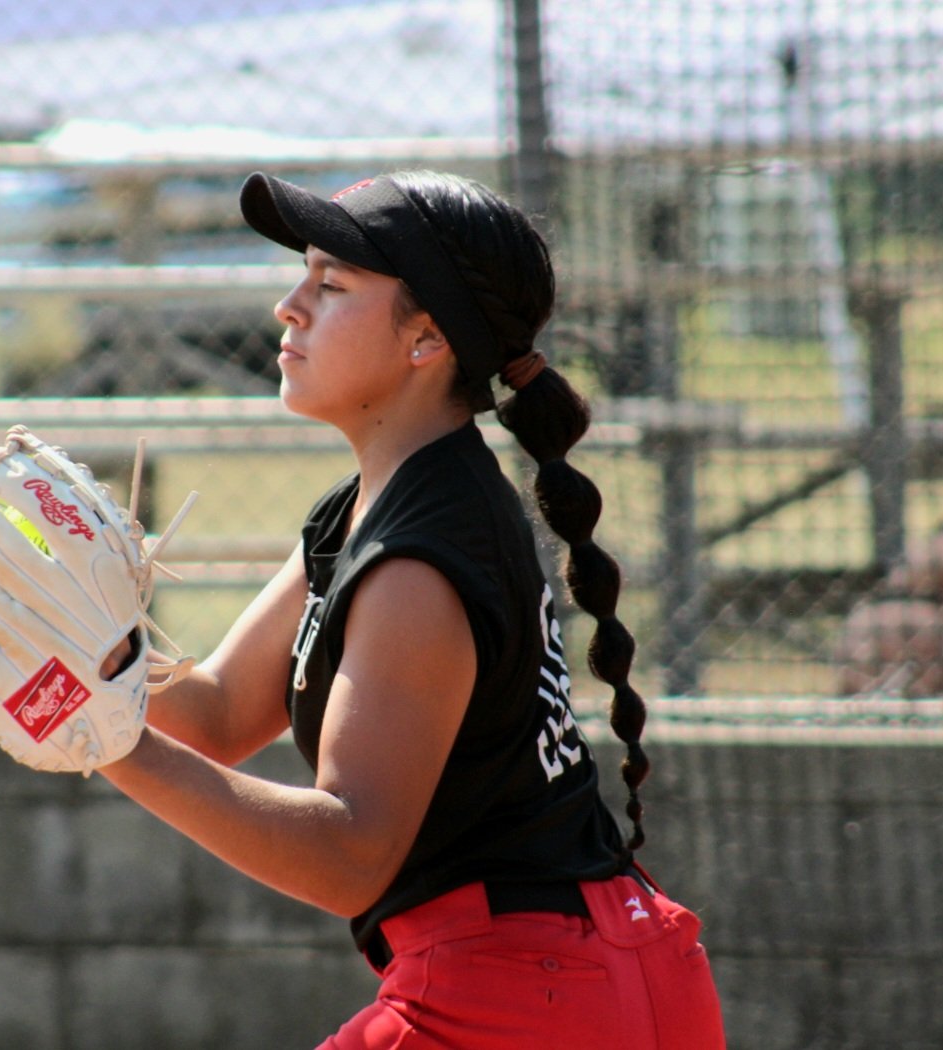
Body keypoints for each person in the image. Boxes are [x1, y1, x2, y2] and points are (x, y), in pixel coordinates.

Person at [98, 169, 726, 1048]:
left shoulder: (417, 562)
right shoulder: (367, 508)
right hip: (562, 971)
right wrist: (90, 658)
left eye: (331, 284)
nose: (289, 304)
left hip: (535, 991)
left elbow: (349, 856)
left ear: (426, 337)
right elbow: (217, 714)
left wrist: (108, 740)